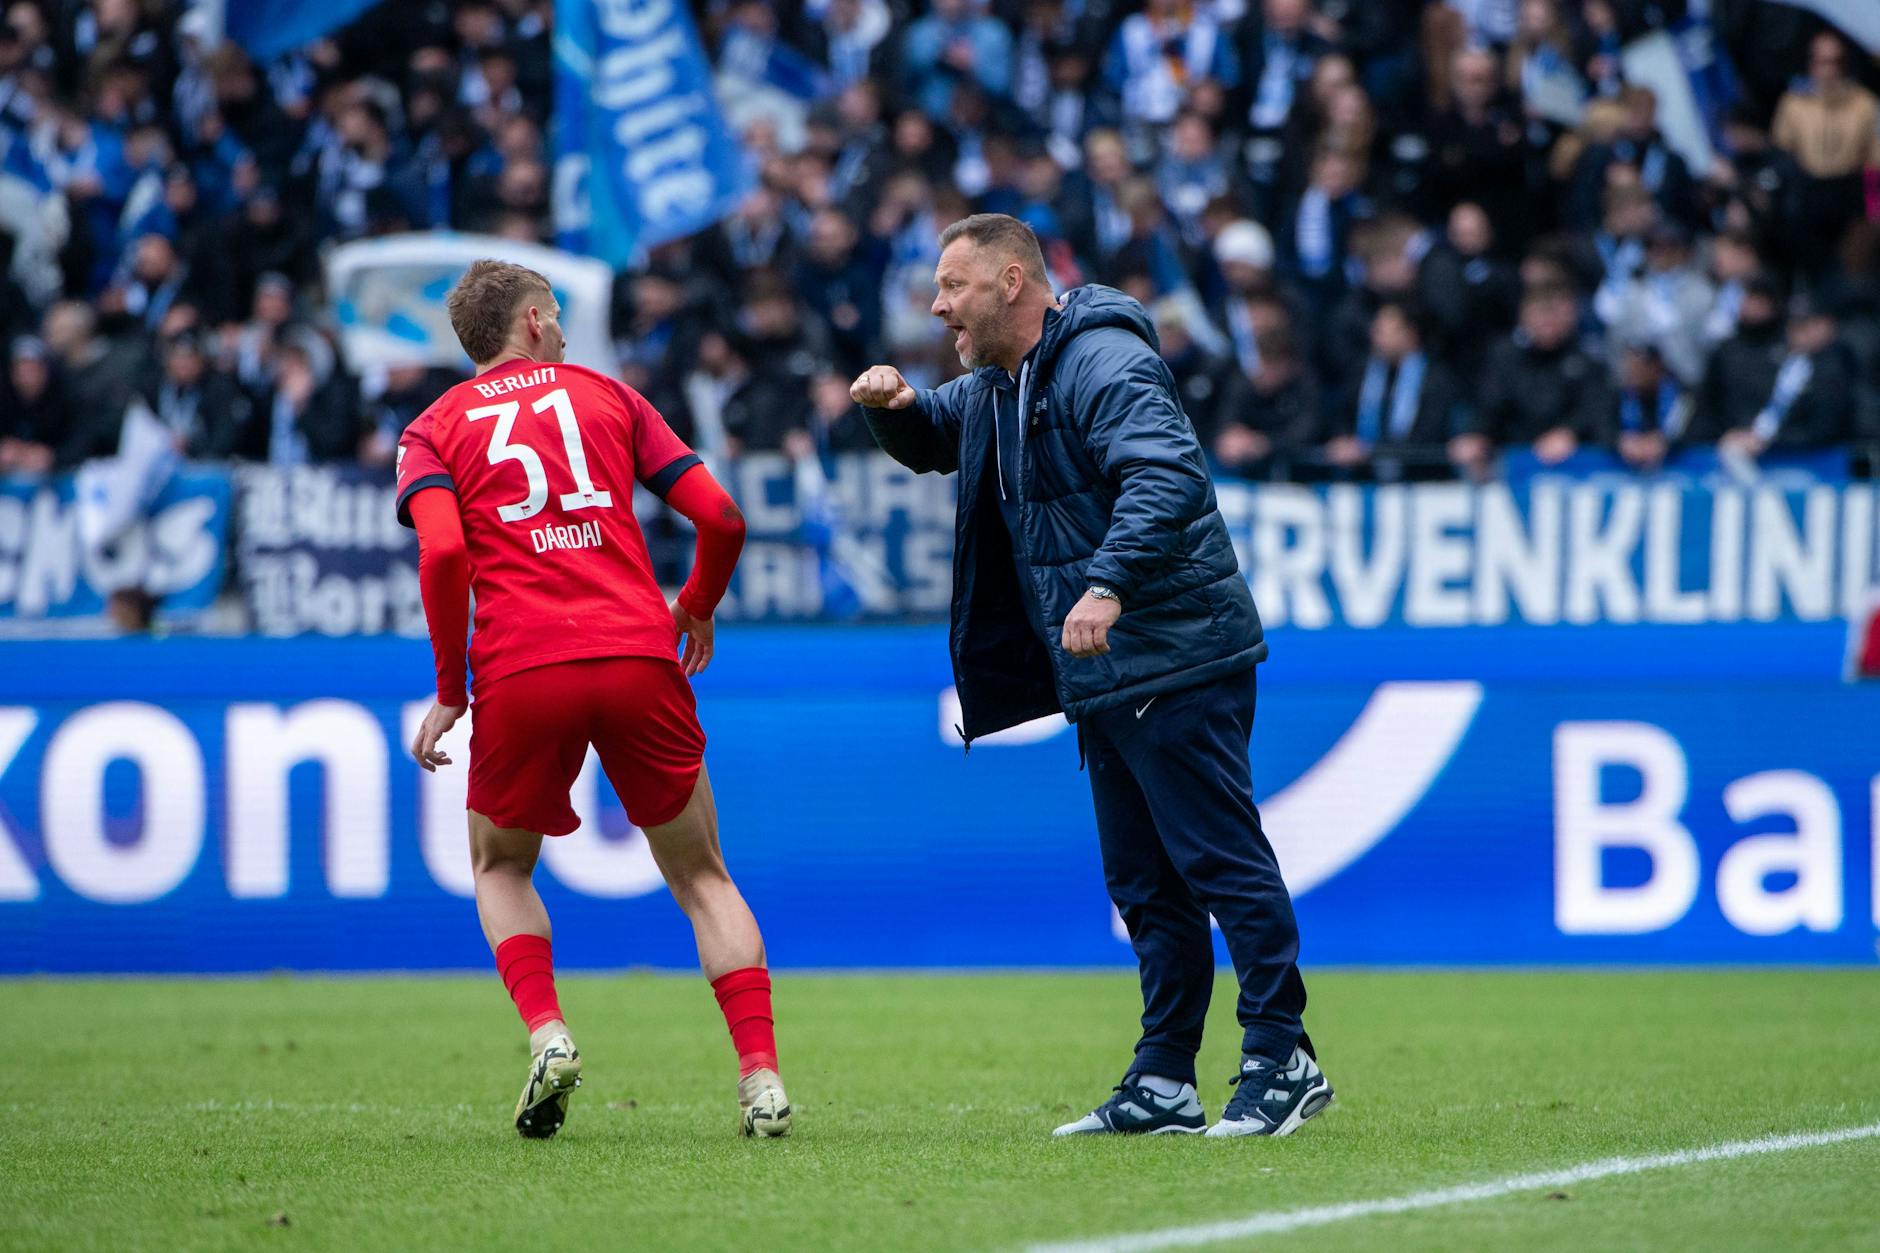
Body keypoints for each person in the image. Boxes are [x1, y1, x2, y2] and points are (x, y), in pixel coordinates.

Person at [851, 214, 1330, 1139]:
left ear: (1013, 283)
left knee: (1220, 861)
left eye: (953, 285)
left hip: (1179, 653)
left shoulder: (1103, 361)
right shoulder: (1001, 381)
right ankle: (1166, 1077)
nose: (938, 304)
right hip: (1113, 672)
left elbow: (1167, 476)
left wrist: (1106, 582)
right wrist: (895, 409)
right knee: (1147, 884)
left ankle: (1283, 1053)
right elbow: (936, 438)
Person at [395, 260, 791, 1141]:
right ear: (532, 321)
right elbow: (722, 518)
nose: (566, 331)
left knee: (500, 865)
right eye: (559, 316)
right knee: (701, 876)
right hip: (637, 651)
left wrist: (451, 690)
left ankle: (549, 1032)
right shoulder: (610, 398)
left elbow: (445, 558)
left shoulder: (429, 430)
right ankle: (760, 1079)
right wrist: (694, 606)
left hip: (522, 667)